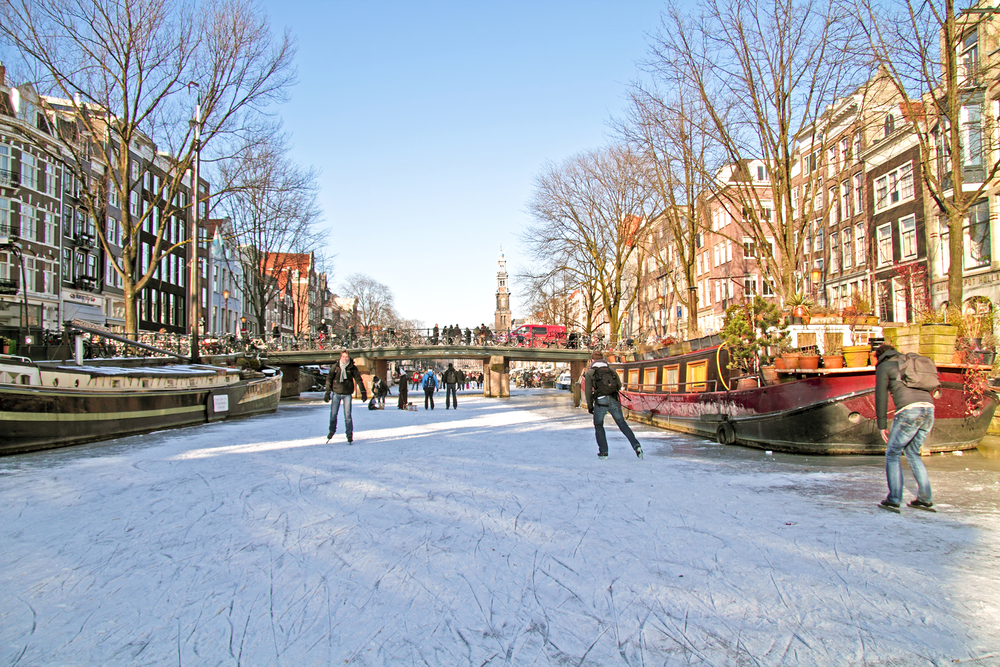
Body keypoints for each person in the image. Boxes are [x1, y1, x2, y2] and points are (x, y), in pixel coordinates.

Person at [874, 344, 935, 512]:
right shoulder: (910, 362)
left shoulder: (884, 366)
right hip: (929, 410)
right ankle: (925, 499)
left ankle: (893, 499)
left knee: (892, 453)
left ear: (879, 357)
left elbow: (881, 396)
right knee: (913, 453)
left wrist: (881, 425)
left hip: (909, 412)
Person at [584, 351, 642, 460]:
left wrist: (590, 406)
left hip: (600, 402)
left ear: (592, 360)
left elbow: (587, 391)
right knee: (622, 424)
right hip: (613, 400)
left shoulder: (590, 372)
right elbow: (619, 386)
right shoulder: (611, 371)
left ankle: (604, 452)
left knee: (599, 425)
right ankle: (636, 445)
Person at [324, 350, 367, 444]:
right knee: (333, 414)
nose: (344, 359)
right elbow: (329, 379)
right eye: (343, 357)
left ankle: (349, 434)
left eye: (346, 357)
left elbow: (358, 379)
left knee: (347, 415)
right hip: (336, 393)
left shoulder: (352, 367)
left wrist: (363, 392)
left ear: (348, 357)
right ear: (340, 357)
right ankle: (332, 430)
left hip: (347, 394)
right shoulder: (335, 367)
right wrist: (327, 392)